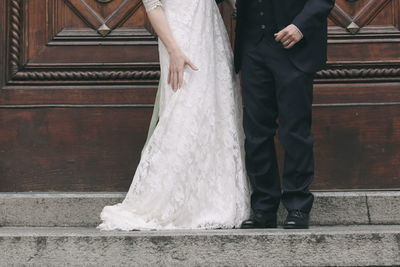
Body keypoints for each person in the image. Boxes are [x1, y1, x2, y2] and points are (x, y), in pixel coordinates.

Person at [97, 0, 250, 231]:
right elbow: (152, 5)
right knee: (185, 108)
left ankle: (214, 197)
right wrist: (174, 50)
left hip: (210, 34)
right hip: (180, 37)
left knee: (216, 109)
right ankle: (177, 201)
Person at [234, 0, 335, 229]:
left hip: (294, 46)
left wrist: (300, 26)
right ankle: (263, 207)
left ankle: (298, 205)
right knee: (256, 131)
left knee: (294, 130)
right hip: (252, 47)